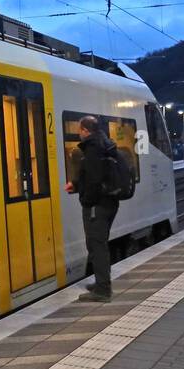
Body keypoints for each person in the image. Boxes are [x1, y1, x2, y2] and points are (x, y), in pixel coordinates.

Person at [65, 115, 119, 303]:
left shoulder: (93, 148)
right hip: (107, 202)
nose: (79, 134)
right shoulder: (103, 144)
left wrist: (86, 200)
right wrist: (77, 185)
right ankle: (100, 283)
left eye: (79, 130)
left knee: (97, 245)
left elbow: (95, 180)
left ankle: (103, 290)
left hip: (97, 205)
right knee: (98, 244)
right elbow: (94, 176)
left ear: (85, 131)